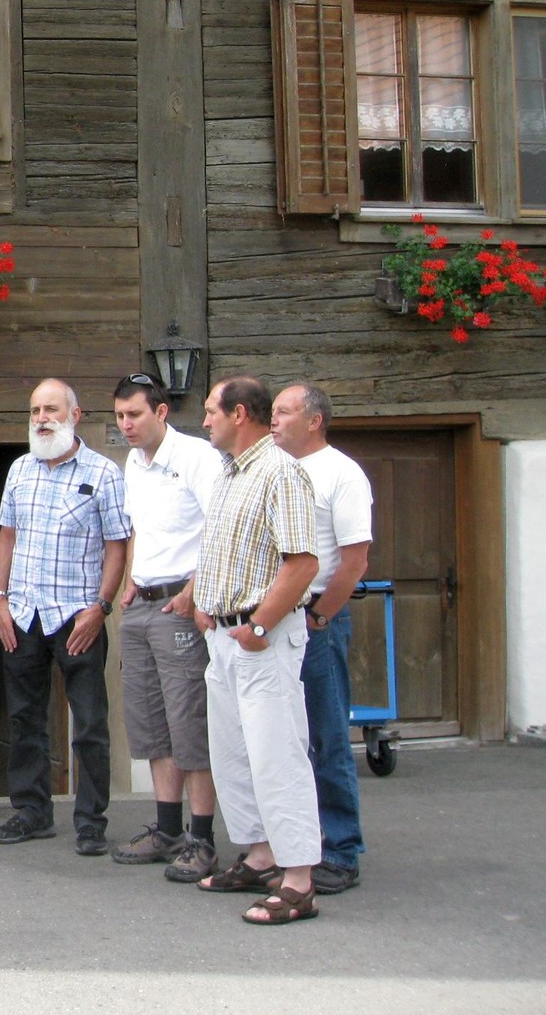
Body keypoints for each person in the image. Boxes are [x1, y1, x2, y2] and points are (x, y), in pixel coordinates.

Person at [194, 376, 322, 925]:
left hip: (261, 638)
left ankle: (299, 882)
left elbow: (302, 562)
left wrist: (260, 626)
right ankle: (260, 855)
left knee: (277, 757)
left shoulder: (281, 472)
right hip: (223, 637)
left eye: (210, 411)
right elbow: (228, 554)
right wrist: (201, 604)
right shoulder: (228, 475)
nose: (204, 421)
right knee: (233, 757)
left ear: (239, 413)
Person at [0, 379, 130, 855]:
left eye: (51, 409)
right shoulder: (19, 470)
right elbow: (5, 537)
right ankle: (31, 811)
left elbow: (118, 545)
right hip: (23, 614)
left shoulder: (105, 473)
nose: (42, 418)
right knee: (26, 718)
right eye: (34, 410)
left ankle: (91, 820)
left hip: (78, 616)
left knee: (89, 723)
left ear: (75, 415)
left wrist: (101, 606)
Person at [109, 372, 223, 882]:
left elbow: (221, 529)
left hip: (180, 603)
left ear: (160, 412)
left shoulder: (198, 458)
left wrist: (192, 593)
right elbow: (137, 529)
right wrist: (130, 581)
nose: (126, 425)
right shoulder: (134, 462)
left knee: (188, 723)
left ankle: (202, 838)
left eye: (134, 415)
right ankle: (167, 827)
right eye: (118, 416)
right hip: (142, 603)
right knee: (150, 722)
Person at [271, 382, 373, 896]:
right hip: (276, 621)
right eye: (272, 411)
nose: (274, 420)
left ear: (314, 420)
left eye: (285, 412)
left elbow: (354, 560)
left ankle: (340, 849)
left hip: (315, 622)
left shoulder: (341, 473)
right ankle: (296, 848)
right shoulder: (276, 469)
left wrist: (319, 617)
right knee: (287, 741)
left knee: (327, 738)